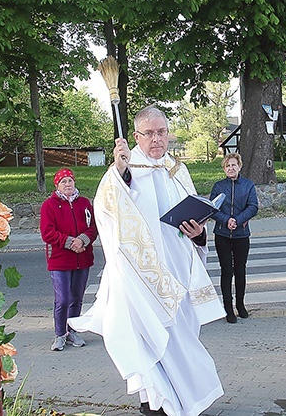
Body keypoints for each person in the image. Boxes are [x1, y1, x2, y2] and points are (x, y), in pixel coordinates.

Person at [68, 106, 225, 416]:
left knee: (181, 337)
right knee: (149, 338)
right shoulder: (127, 170)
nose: (156, 139)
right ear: (136, 136)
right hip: (142, 277)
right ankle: (154, 402)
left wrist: (198, 234)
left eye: (162, 132)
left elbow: (196, 220)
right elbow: (109, 207)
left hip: (180, 270)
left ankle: (183, 400)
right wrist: (121, 171)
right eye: (149, 133)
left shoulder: (177, 169)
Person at [40, 168, 98, 352]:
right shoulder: (49, 205)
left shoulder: (84, 204)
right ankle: (59, 334)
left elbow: (93, 228)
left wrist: (83, 240)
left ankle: (73, 330)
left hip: (82, 258)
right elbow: (47, 232)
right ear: (57, 185)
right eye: (63, 181)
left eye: (70, 181)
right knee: (63, 299)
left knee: (76, 298)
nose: (68, 184)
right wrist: (69, 242)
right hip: (60, 260)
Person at [210, 153, 259, 323]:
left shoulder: (248, 185)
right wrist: (226, 220)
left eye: (233, 165)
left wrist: (237, 221)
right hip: (222, 234)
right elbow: (213, 208)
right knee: (226, 270)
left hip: (241, 235)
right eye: (227, 166)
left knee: (240, 270)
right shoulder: (218, 186)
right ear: (224, 169)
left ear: (239, 166)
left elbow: (253, 207)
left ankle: (240, 304)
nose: (231, 168)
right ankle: (228, 307)